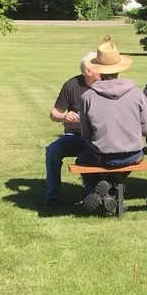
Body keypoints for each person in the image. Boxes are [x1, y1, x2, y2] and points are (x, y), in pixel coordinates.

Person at [76, 37, 147, 214]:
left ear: (99, 70)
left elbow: (86, 134)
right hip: (134, 155)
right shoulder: (136, 93)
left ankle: (97, 191)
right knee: (123, 164)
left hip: (102, 156)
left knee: (81, 159)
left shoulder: (87, 97)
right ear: (119, 68)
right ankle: (110, 191)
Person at [43, 51, 99, 206]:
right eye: (99, 67)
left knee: (86, 156)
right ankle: (52, 196)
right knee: (52, 151)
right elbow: (54, 114)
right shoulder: (72, 85)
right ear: (88, 71)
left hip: (98, 138)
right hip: (75, 136)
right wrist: (64, 117)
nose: (103, 71)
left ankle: (90, 194)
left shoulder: (106, 85)